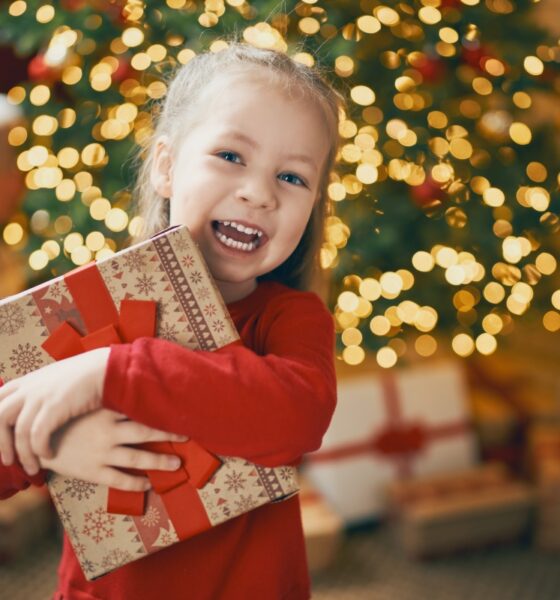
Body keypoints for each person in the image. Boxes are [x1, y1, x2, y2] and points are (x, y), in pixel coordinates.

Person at [0, 41, 344, 599]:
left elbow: (295, 417)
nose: (258, 193)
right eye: (231, 156)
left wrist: (110, 372)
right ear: (166, 165)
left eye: (293, 177)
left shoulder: (291, 319)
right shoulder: (89, 308)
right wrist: (54, 442)